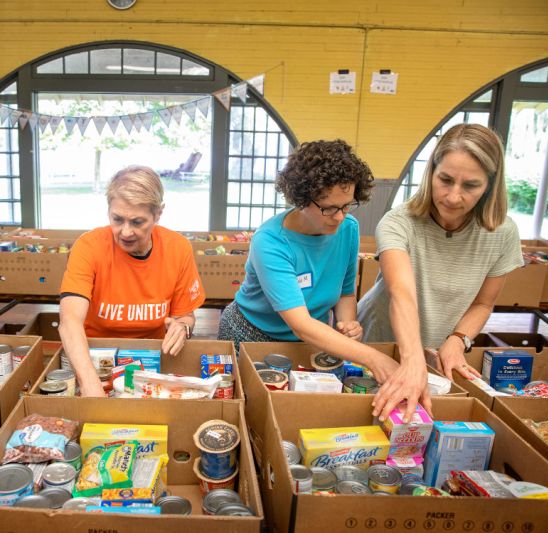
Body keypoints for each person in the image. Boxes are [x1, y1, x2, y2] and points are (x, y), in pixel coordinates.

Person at [358, 124, 523, 421]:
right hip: (381, 343)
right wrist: (411, 360)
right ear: (431, 172)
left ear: (490, 185)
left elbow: (483, 303)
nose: (453, 196)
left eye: (470, 186)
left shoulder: (504, 233)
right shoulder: (398, 222)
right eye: (444, 180)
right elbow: (402, 294)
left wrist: (458, 339)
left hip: (437, 353)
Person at [217, 139, 401, 387]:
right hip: (252, 334)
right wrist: (374, 358)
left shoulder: (348, 229)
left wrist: (347, 324)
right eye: (328, 208)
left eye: (347, 206)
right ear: (301, 199)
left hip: (313, 339)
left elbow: (345, 293)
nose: (339, 217)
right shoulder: (271, 242)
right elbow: (301, 324)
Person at [59, 165, 206, 397]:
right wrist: (89, 383)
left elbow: (185, 316)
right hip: (94, 360)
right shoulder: (89, 246)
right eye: (117, 219)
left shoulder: (177, 248)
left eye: (137, 222)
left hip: (154, 362)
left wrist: (183, 327)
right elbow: (69, 321)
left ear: (158, 214)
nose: (125, 232)